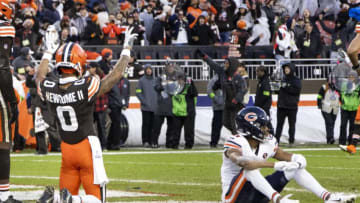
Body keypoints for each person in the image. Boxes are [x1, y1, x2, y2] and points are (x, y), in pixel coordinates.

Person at [36, 26, 137, 203]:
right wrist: (126, 50)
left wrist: (47, 52)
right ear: (78, 64)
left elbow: (39, 77)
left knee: (68, 190)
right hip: (86, 147)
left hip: (67, 148)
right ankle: (70, 200)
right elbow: (115, 75)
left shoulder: (49, 87)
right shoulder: (86, 84)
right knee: (97, 200)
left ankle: (59, 199)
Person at [221, 106, 356, 203]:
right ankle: (278, 200)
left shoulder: (267, 143)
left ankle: (328, 198)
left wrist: (298, 160)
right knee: (249, 170)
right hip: (234, 198)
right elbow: (243, 162)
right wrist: (275, 165)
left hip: (256, 194)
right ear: (251, 127)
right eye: (262, 126)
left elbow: (287, 156)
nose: (267, 129)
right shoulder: (236, 141)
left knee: (292, 168)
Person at [0, 0, 21, 202]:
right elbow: (3, 68)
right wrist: (11, 100)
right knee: (3, 144)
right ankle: (3, 195)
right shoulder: (4, 27)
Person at [197, 50, 247, 135]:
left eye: (227, 63)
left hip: (236, 104)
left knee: (233, 122)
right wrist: (205, 57)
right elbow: (213, 65)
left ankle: (238, 137)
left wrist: (236, 99)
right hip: (227, 103)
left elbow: (243, 90)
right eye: (225, 63)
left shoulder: (239, 78)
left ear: (232, 65)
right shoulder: (223, 73)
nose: (225, 65)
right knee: (225, 122)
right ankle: (238, 134)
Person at [275, 63, 301, 145]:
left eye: (288, 68)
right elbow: (277, 91)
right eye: (285, 68)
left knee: (292, 125)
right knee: (279, 125)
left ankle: (291, 140)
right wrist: (276, 86)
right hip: (282, 106)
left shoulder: (296, 80)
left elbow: (296, 91)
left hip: (292, 106)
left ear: (292, 69)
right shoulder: (283, 79)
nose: (286, 70)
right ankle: (276, 141)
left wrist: (285, 87)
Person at [136, 64, 157, 147]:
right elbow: (138, 92)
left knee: (153, 125)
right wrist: (144, 102)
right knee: (146, 125)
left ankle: (152, 141)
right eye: (147, 69)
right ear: (145, 70)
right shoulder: (141, 81)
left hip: (154, 107)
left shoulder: (155, 80)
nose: (149, 71)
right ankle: (145, 141)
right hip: (145, 108)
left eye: (150, 69)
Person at [338, 71, 360, 145]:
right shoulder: (344, 85)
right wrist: (342, 102)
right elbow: (340, 94)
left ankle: (351, 142)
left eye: (352, 76)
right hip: (344, 108)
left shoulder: (358, 85)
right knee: (343, 125)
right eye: (349, 76)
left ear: (356, 77)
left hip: (354, 109)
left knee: (352, 126)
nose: (351, 77)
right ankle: (342, 142)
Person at [317, 79, 340, 144]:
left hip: (335, 108)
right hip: (325, 108)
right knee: (329, 122)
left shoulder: (338, 87)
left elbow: (340, 97)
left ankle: (329, 138)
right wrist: (319, 104)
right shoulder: (324, 87)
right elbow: (319, 96)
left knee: (332, 123)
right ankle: (330, 138)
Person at [254, 66, 273, 133]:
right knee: (262, 123)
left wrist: (260, 103)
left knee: (266, 122)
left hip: (264, 106)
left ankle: (272, 135)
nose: (256, 73)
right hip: (261, 106)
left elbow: (266, 93)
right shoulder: (261, 81)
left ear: (263, 72)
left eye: (258, 71)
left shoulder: (265, 81)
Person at [207, 74, 224, 148]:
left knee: (232, 126)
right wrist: (216, 99)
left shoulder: (230, 78)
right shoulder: (213, 80)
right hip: (217, 108)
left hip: (228, 107)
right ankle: (214, 143)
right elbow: (209, 92)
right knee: (216, 126)